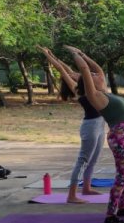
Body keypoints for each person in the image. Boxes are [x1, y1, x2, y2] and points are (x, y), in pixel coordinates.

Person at [66, 46, 124, 223]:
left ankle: (123, 206)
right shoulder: (94, 96)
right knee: (123, 175)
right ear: (89, 83)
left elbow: (97, 68)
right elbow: (85, 70)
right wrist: (76, 55)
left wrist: (84, 53)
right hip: (121, 137)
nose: (98, 75)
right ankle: (111, 214)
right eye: (93, 77)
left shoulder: (105, 92)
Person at [40, 47, 106, 204]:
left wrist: (54, 55)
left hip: (100, 125)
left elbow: (94, 69)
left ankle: (86, 188)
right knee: (83, 159)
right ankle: (71, 195)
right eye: (92, 76)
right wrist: (48, 56)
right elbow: (63, 71)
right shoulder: (80, 90)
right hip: (90, 127)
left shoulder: (96, 88)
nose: (97, 76)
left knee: (94, 159)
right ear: (87, 79)